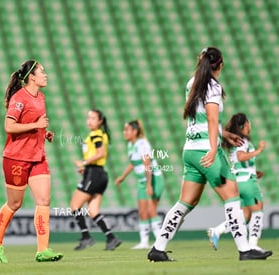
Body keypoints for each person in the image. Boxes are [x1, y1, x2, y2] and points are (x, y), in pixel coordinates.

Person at [147, 47, 272, 261]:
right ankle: (245, 249)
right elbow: (212, 119)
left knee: (185, 202)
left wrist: (226, 135)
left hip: (191, 150)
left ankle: (157, 248)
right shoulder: (213, 86)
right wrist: (215, 148)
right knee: (232, 196)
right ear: (220, 64)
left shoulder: (192, 82)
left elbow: (202, 120)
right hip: (206, 151)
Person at [0, 60, 63, 263]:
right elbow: (9, 126)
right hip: (16, 158)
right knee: (15, 204)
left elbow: (33, 125)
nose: (45, 75)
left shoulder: (41, 97)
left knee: (44, 201)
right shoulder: (19, 98)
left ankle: (42, 250)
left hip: (37, 156)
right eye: (42, 71)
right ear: (32, 76)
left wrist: (43, 132)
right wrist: (36, 125)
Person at [207, 113, 271, 253]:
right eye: (249, 123)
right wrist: (259, 150)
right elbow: (240, 157)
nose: (250, 126)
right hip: (247, 182)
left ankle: (217, 230)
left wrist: (255, 171)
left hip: (238, 181)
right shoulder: (243, 140)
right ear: (246, 124)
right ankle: (253, 245)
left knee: (245, 216)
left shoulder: (234, 141)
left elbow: (238, 161)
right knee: (258, 210)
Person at [70, 109, 122, 251]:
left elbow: (100, 153)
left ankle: (86, 237)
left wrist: (84, 163)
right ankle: (111, 238)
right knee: (93, 210)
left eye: (93, 118)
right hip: (99, 174)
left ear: (100, 121)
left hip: (94, 173)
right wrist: (85, 167)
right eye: (88, 118)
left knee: (75, 206)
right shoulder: (99, 135)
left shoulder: (95, 135)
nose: (89, 121)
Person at [115, 120, 164, 249]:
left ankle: (160, 242)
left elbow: (147, 164)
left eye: (127, 130)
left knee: (151, 211)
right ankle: (144, 242)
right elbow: (133, 163)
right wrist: (122, 177)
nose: (124, 132)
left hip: (153, 179)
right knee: (142, 212)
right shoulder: (131, 145)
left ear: (135, 132)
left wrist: (149, 185)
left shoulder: (142, 144)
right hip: (142, 182)